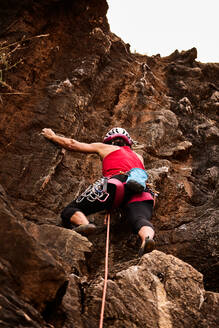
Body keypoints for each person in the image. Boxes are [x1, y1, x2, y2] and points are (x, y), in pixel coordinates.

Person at [41, 127, 155, 256]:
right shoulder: (139, 157)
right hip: (142, 191)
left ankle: (84, 224)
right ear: (128, 142)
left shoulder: (104, 147)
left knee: (71, 209)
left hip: (114, 184)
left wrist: (52, 137)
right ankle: (147, 238)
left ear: (109, 141)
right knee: (139, 218)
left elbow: (72, 144)